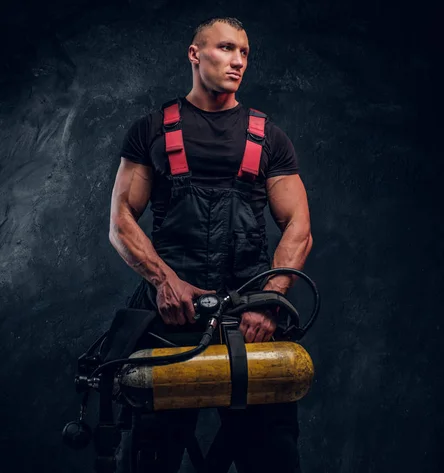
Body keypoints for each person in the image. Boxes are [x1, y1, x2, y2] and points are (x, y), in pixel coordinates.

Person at [108, 16, 313, 473]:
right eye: (225, 48)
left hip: (252, 317)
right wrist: (164, 281)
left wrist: (270, 300)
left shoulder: (270, 138)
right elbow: (120, 221)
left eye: (244, 52)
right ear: (194, 53)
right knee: (149, 454)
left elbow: (299, 225)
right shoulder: (152, 131)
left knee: (273, 453)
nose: (238, 61)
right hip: (170, 315)